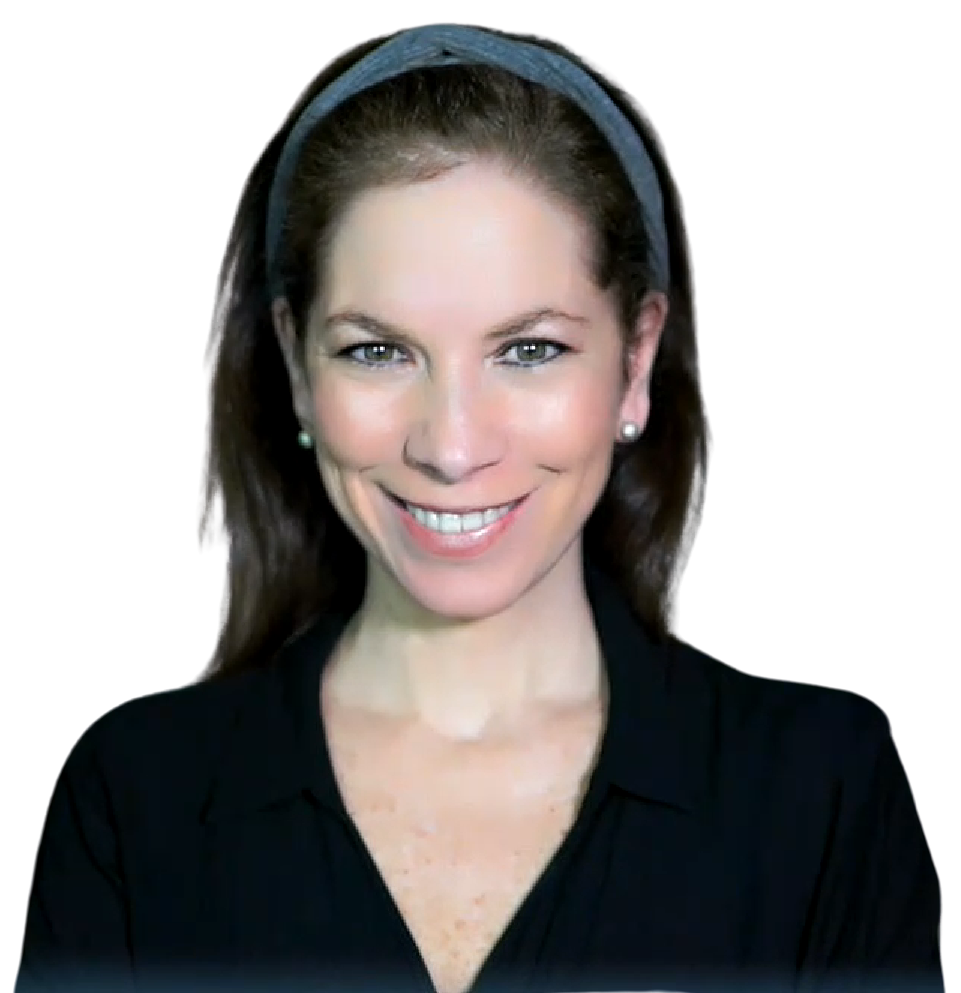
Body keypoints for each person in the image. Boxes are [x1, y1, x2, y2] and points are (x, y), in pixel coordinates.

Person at [15, 22, 943, 993]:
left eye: (528, 350)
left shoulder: (825, 791)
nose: (451, 448)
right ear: (295, 366)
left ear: (635, 362)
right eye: (377, 351)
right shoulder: (133, 799)